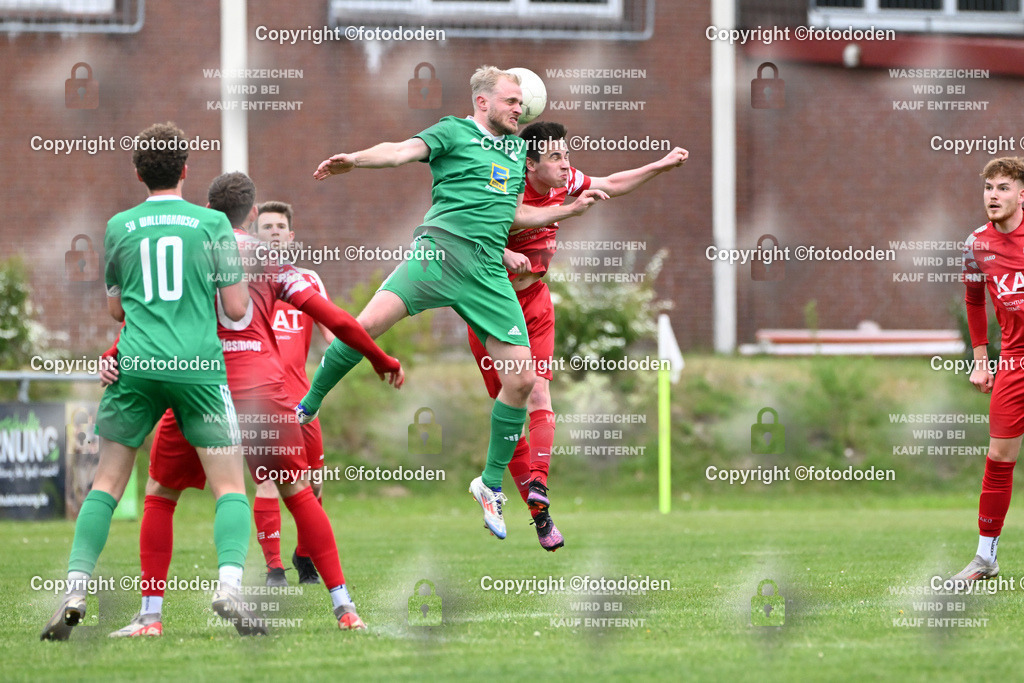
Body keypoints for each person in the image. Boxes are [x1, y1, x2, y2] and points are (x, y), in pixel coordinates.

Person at [296, 66, 607, 540]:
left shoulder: (514, 151)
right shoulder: (452, 132)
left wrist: (566, 210)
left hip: (486, 272)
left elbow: (513, 213)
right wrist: (355, 160)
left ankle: (490, 484)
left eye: (520, 102)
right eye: (511, 101)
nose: (519, 109)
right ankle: (308, 405)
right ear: (483, 102)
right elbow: (399, 151)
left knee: (522, 380)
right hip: (438, 254)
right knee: (365, 326)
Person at [108, 172, 403, 637]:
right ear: (252, 214)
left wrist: (114, 354)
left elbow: (150, 318)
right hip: (263, 389)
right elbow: (337, 320)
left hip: (199, 385)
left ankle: (150, 616)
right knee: (298, 492)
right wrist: (380, 358)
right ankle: (345, 608)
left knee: (161, 495)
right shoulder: (270, 259)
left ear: (209, 209)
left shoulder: (192, 250)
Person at [41, 122, 252, 640]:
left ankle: (74, 590)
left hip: (134, 366)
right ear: (185, 170)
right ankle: (229, 587)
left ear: (138, 174)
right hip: (198, 368)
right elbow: (236, 308)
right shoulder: (212, 224)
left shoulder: (118, 226)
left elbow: (116, 311)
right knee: (229, 486)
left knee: (107, 483)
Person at [467, 121, 688, 551]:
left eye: (567, 155)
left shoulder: (563, 182)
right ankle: (533, 512)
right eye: (556, 157)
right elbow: (470, 235)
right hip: (493, 312)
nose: (566, 165)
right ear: (529, 165)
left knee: (540, 395)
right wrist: (503, 251)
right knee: (511, 414)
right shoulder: (504, 187)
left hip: (536, 305)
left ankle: (539, 490)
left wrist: (659, 165)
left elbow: (612, 183)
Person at [252, 201, 335, 586]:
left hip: (303, 400)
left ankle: (304, 555)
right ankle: (273, 569)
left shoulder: (308, 280)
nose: (273, 231)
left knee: (314, 483)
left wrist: (364, 345)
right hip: (261, 398)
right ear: (254, 236)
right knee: (268, 479)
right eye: (265, 226)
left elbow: (332, 334)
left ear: (291, 236)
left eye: (279, 226)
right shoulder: (243, 284)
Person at [954, 156, 1024, 581]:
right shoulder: (976, 245)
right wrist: (982, 363)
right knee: (998, 458)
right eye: (988, 187)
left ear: (1022, 195)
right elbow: (974, 300)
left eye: (1003, 187)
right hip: (1014, 362)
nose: (993, 195)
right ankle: (985, 559)